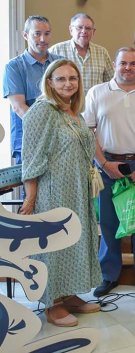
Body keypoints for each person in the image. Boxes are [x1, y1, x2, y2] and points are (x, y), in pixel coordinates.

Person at [20, 60, 102, 326]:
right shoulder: (42, 110)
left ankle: (69, 294)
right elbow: (31, 157)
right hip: (53, 190)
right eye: (61, 79)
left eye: (73, 78)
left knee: (75, 241)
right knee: (54, 246)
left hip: (77, 189)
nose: (68, 83)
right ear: (50, 83)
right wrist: (31, 198)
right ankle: (52, 303)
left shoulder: (73, 111)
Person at [85, 47, 135, 298]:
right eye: (123, 63)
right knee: (108, 223)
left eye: (133, 63)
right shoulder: (97, 93)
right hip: (109, 165)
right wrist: (103, 164)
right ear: (114, 65)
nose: (127, 68)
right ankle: (108, 275)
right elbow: (89, 131)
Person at [4, 15, 61, 164]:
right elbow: (18, 107)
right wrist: (47, 131)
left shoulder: (60, 63)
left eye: (47, 34)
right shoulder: (14, 67)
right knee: (30, 180)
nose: (43, 39)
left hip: (60, 139)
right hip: (28, 139)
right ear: (25, 35)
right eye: (37, 34)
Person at [48, 13, 114, 90]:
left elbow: (111, 82)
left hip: (96, 98)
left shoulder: (102, 52)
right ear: (71, 30)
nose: (84, 31)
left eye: (88, 28)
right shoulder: (56, 50)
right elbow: (48, 81)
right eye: (79, 27)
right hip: (66, 98)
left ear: (93, 32)